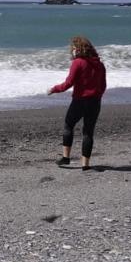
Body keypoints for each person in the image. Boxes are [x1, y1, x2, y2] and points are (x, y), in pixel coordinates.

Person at [47, 36, 107, 171]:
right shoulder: (100, 65)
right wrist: (96, 97)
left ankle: (66, 158)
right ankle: (85, 165)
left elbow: (68, 83)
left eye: (73, 48)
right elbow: (103, 86)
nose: (72, 51)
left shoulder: (78, 63)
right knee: (88, 132)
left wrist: (53, 89)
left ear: (78, 49)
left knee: (68, 125)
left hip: (80, 101)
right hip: (95, 102)